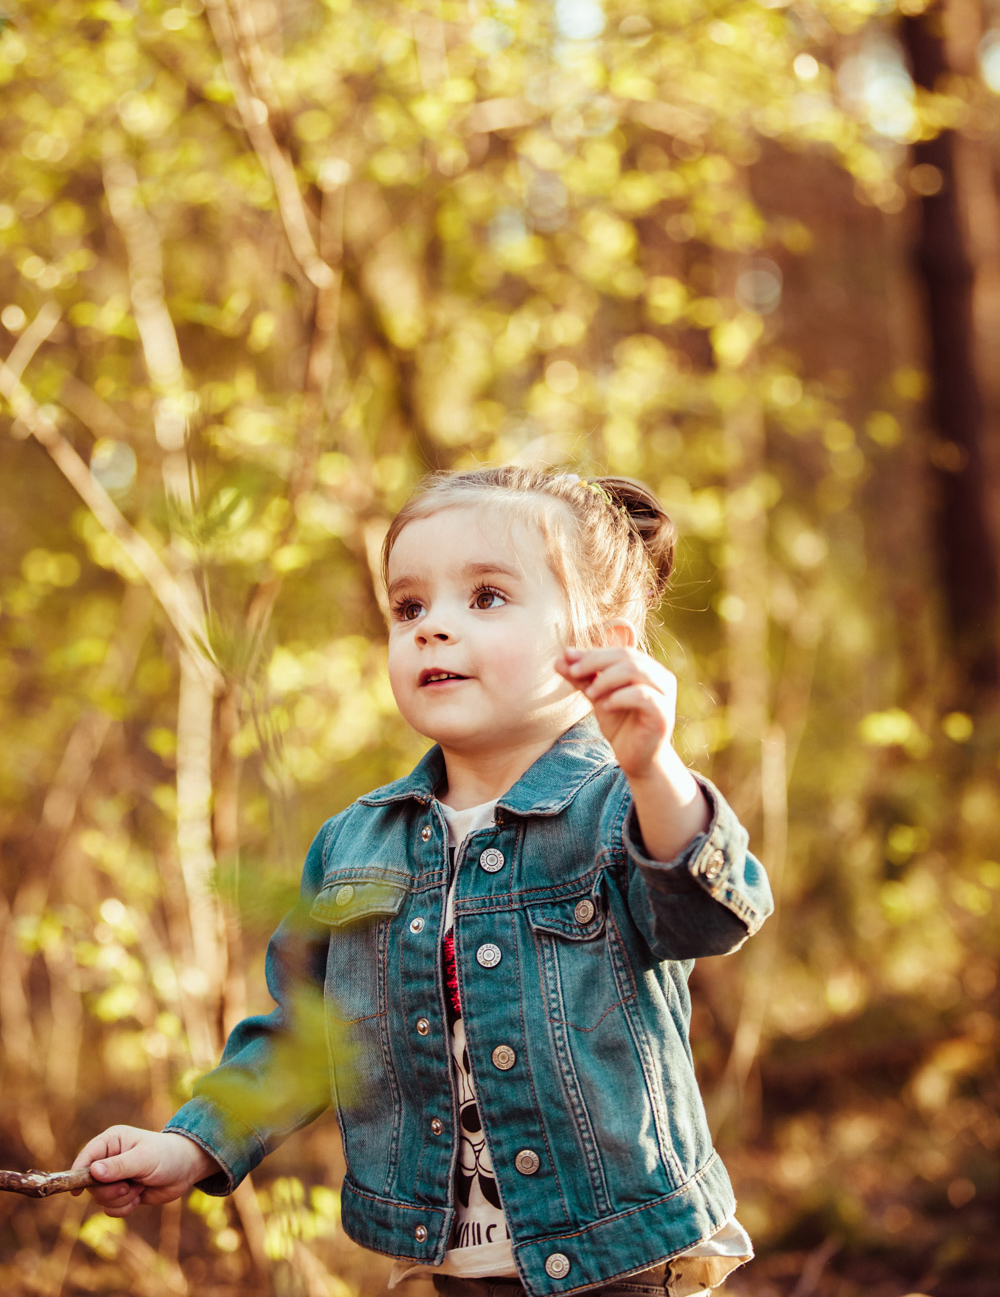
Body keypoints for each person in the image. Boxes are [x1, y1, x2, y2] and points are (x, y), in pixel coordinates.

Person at [73, 465, 773, 1297]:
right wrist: (191, 1144)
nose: (433, 627)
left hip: (618, 1260)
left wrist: (655, 769)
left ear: (602, 646)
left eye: (487, 597)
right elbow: (305, 1038)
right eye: (409, 607)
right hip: (442, 1265)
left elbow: (708, 919)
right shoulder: (356, 846)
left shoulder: (621, 808)